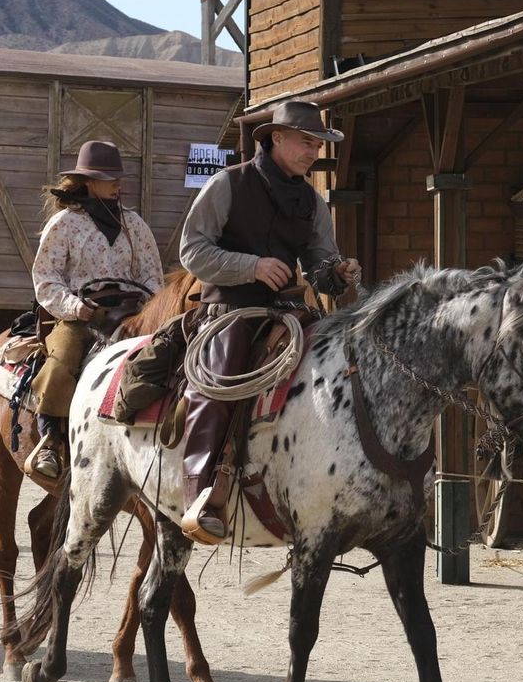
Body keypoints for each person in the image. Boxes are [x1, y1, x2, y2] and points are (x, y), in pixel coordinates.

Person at [176, 101, 361, 544]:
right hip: (230, 311)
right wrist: (251, 267)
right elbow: (191, 250)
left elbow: (318, 262)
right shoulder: (228, 183)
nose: (312, 151)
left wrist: (336, 273)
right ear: (276, 138)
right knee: (219, 384)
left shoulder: (312, 202)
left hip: (287, 310)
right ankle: (199, 496)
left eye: (318, 144)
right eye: (305, 141)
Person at [26, 140, 162, 480]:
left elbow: (151, 275)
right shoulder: (65, 224)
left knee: (166, 355)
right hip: (80, 315)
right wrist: (75, 307)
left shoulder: (135, 225)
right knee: (61, 363)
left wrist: (153, 307)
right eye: (108, 178)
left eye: (118, 178)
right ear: (88, 181)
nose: (118, 184)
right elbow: (46, 278)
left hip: (131, 311)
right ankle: (50, 440)